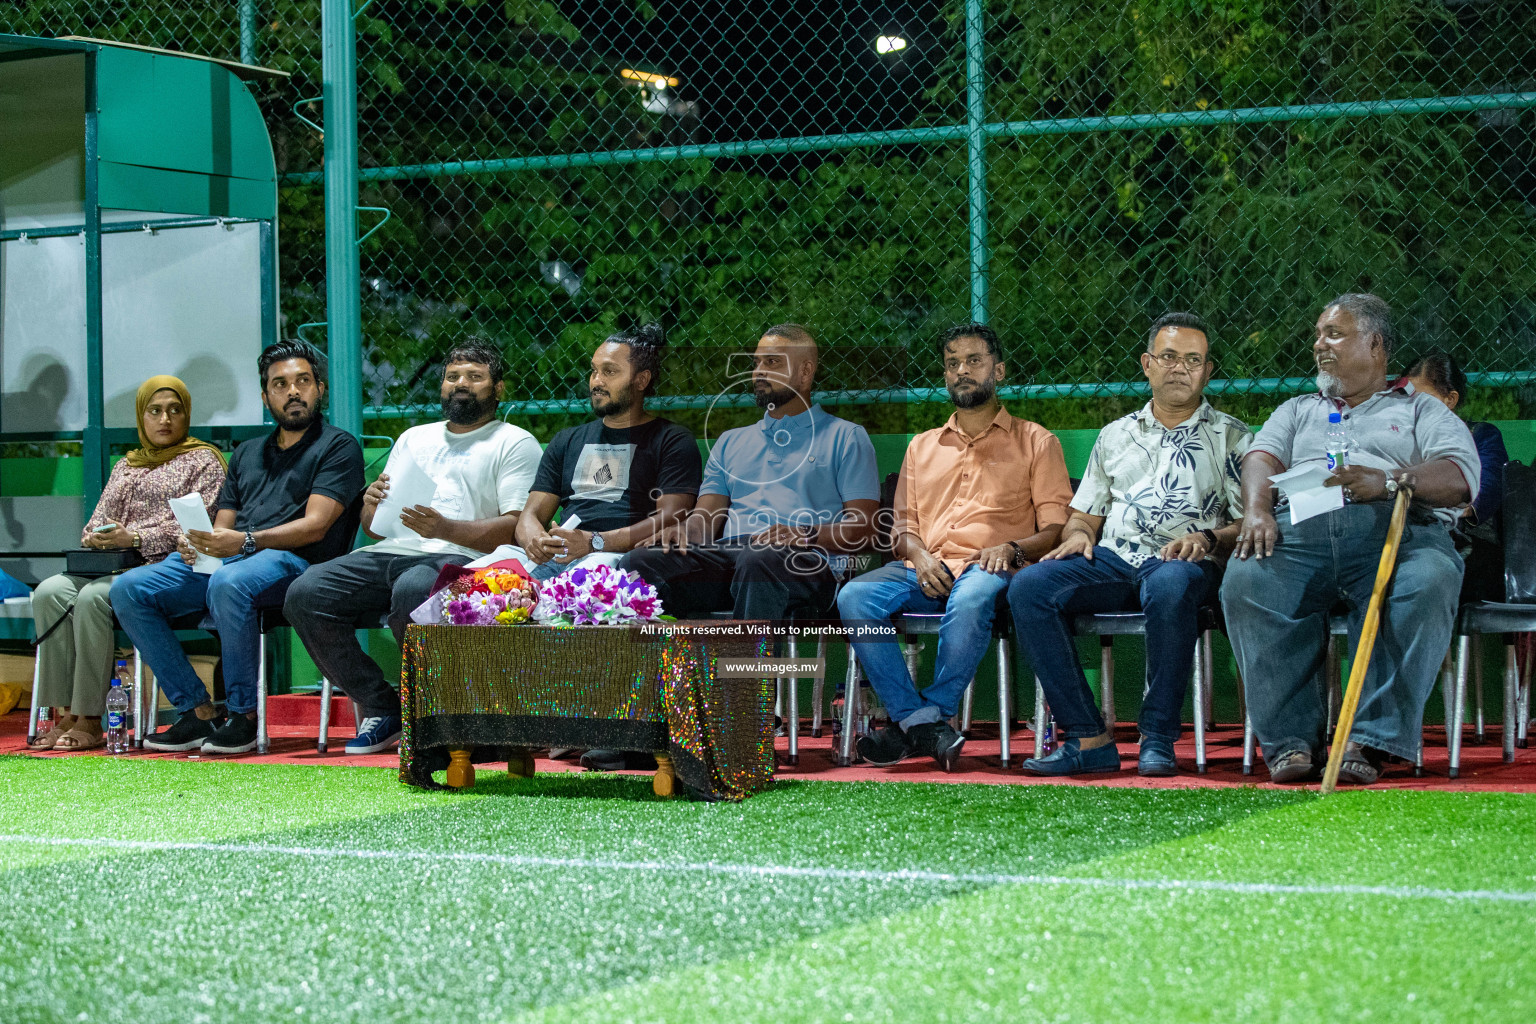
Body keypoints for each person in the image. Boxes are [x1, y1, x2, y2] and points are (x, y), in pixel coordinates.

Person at [1222, 294, 1479, 785]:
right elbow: (1261, 458)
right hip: (1303, 531)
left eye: (1333, 334)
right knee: (1248, 577)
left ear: (1376, 344)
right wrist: (1256, 511)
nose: (1319, 344)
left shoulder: (1423, 409)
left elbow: (1458, 475)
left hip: (1398, 530)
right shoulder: (1298, 410)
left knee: (1430, 579)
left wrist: (1388, 482)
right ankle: (1291, 743)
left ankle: (1369, 739)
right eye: (1318, 334)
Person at [1008, 313, 1251, 777]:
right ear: (1147, 364)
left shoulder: (1233, 437)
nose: (1181, 368)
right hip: (1115, 559)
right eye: (1169, 357)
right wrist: (1078, 536)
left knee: (1171, 585)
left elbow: (1249, 523)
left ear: (1208, 370)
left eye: (1193, 360)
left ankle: (1156, 734)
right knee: (1030, 587)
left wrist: (1207, 538)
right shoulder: (1115, 435)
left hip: (1186, 563)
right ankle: (1088, 737)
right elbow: (1084, 515)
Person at [284, 342, 543, 754]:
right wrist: (370, 506)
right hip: (392, 552)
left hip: (469, 560)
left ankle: (437, 717)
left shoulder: (514, 442)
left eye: (474, 377)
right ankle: (383, 706)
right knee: (306, 592)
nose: (461, 384)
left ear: (499, 389)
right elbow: (374, 529)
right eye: (453, 376)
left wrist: (446, 528)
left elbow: (515, 529)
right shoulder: (413, 438)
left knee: (414, 590)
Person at [836, 324, 1072, 771]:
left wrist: (1013, 549)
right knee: (855, 596)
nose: (962, 370)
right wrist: (920, 557)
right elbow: (902, 528)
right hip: (927, 567)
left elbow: (1055, 529)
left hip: (992, 568)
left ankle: (921, 719)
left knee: (973, 597)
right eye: (952, 363)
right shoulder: (921, 446)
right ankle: (921, 723)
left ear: (998, 370)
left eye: (974, 361)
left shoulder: (1037, 441)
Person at [113, 341, 365, 756]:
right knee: (130, 588)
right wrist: (202, 545)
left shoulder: (338, 446)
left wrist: (244, 542)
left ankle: (244, 716)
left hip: (299, 563)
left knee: (230, 581)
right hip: (234, 558)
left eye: (303, 381)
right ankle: (196, 710)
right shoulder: (248, 452)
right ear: (266, 397)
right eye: (280, 384)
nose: (293, 391)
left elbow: (317, 527)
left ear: (320, 388)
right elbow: (224, 524)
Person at [618, 323, 880, 622]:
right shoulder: (731, 441)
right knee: (639, 562)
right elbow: (705, 520)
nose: (758, 372)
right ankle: (671, 669)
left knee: (760, 559)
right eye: (756, 363)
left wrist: (804, 534)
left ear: (806, 372)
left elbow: (865, 529)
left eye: (772, 362)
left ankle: (745, 669)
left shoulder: (846, 437)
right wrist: (684, 531)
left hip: (807, 561)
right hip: (732, 556)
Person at [28, 376, 226, 751]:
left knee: (91, 599)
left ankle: (89, 717)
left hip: (169, 567)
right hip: (113, 565)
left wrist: (134, 538)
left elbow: (201, 526)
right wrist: (97, 537)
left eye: (174, 410)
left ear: (187, 415)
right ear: (141, 416)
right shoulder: (127, 465)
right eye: (154, 411)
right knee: (49, 592)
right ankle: (63, 712)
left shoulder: (204, 460)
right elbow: (98, 520)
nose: (164, 419)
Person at [509, 324, 701, 581]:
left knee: (579, 584)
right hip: (560, 554)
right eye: (594, 371)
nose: (596, 381)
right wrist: (536, 541)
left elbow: (670, 518)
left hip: (617, 557)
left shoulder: (671, 440)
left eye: (609, 372)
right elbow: (530, 515)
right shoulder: (567, 440)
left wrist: (594, 542)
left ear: (641, 380)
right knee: (485, 574)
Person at [1402, 351, 1509, 603]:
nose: (1411, 407)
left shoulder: (1481, 436)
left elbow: (1486, 489)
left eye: (1421, 399)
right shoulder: (1398, 439)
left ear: (1450, 399)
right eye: (1404, 398)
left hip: (1465, 540)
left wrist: (1443, 504)